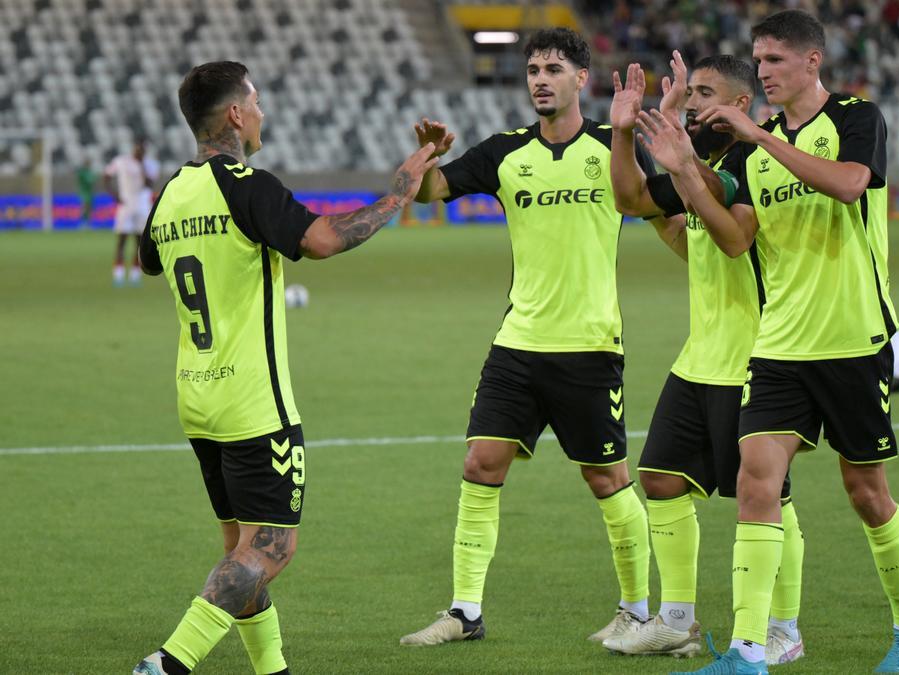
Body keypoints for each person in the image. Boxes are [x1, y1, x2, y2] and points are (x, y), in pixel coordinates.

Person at [636, 9, 899, 673]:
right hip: (780, 345)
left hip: (854, 338)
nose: (763, 71)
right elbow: (735, 238)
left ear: (811, 63)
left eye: (774, 61)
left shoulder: (856, 117)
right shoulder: (752, 143)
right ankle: (747, 650)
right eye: (759, 60)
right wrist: (684, 170)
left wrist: (757, 140)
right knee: (755, 484)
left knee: (866, 492)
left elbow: (852, 183)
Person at [132, 61, 438, 675]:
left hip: (197, 396)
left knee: (238, 551)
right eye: (258, 101)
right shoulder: (246, 184)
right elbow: (323, 241)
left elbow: (148, 261)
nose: (263, 113)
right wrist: (400, 192)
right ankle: (169, 663)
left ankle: (273, 671)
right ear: (237, 115)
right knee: (271, 548)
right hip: (253, 401)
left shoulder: (169, 193)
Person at [397, 28, 657, 648]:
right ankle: (465, 612)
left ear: (580, 80)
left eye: (553, 68)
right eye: (533, 68)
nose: (540, 78)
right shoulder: (504, 151)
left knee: (607, 478)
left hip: (590, 344)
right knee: (481, 463)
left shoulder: (608, 145)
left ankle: (639, 611)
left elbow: (649, 201)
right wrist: (428, 154)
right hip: (518, 342)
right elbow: (430, 192)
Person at [604, 52, 805, 665]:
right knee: (661, 477)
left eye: (702, 93)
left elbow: (735, 234)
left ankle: (783, 628)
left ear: (740, 106)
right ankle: (679, 621)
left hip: (759, 355)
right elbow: (632, 199)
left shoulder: (753, 157)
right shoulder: (704, 157)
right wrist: (622, 131)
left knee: (770, 498)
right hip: (700, 356)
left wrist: (685, 169)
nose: (690, 103)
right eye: (688, 93)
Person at [105, 138, 159, 286]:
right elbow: (106, 176)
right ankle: (119, 274)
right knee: (121, 240)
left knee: (139, 242)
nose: (139, 151)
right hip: (126, 205)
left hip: (142, 205)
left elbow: (149, 184)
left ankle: (135, 275)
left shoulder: (150, 164)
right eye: (137, 148)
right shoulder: (121, 161)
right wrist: (114, 195)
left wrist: (141, 164)